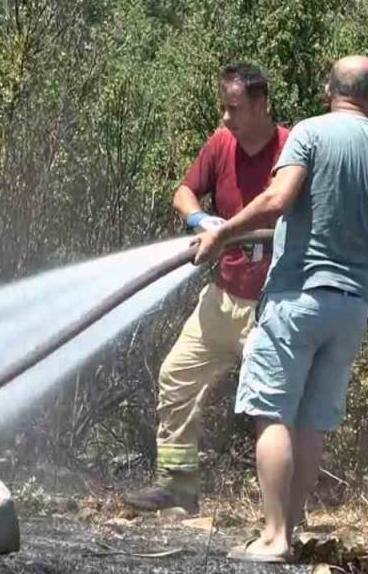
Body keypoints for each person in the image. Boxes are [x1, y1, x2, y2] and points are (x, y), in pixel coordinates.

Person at [195, 55, 368, 563]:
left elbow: (279, 198)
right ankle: (288, 531)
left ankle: (273, 538)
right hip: (352, 307)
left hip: (297, 295)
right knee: (312, 423)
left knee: (272, 412)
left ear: (326, 90)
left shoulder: (309, 134)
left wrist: (220, 233)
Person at [123, 63, 289, 513]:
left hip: (273, 305)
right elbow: (183, 190)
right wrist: (198, 218)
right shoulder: (221, 144)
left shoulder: (291, 148)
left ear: (260, 105)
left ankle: (284, 512)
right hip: (222, 297)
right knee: (177, 375)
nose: (224, 118)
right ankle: (177, 485)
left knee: (274, 406)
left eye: (233, 108)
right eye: (223, 107)